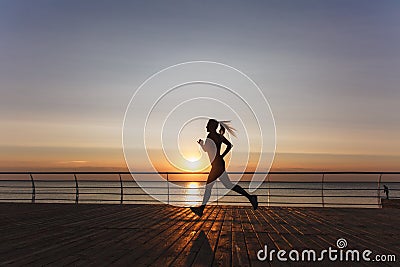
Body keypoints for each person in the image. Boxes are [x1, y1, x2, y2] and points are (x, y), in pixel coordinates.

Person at [190, 119, 258, 217]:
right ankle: (251, 197)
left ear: (212, 126)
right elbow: (229, 145)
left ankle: (201, 209)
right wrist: (221, 155)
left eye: (207, 125)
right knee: (228, 185)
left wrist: (201, 144)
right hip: (219, 164)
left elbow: (206, 150)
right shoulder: (219, 136)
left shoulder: (210, 136)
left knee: (209, 187)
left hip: (217, 166)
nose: (206, 127)